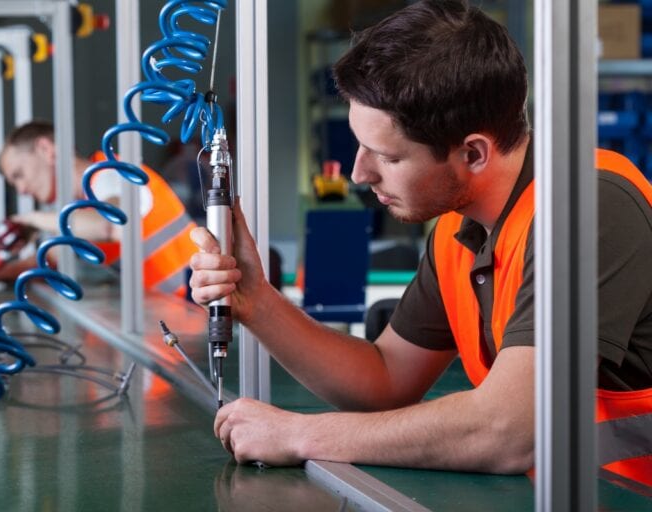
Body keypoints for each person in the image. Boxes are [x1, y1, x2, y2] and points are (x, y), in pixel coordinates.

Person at [189, 0, 652, 485]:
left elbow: (509, 432)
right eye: (359, 145)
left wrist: (300, 434)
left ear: (472, 153)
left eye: (386, 156)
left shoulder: (589, 207)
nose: (358, 173)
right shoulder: (460, 229)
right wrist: (257, 300)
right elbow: (386, 380)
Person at [0, 120, 198, 296]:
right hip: (175, 308)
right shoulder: (81, 207)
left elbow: (110, 225)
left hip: (196, 299)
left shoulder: (109, 172)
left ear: (46, 150)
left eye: (19, 175)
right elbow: (51, 259)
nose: (21, 190)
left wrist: (30, 219)